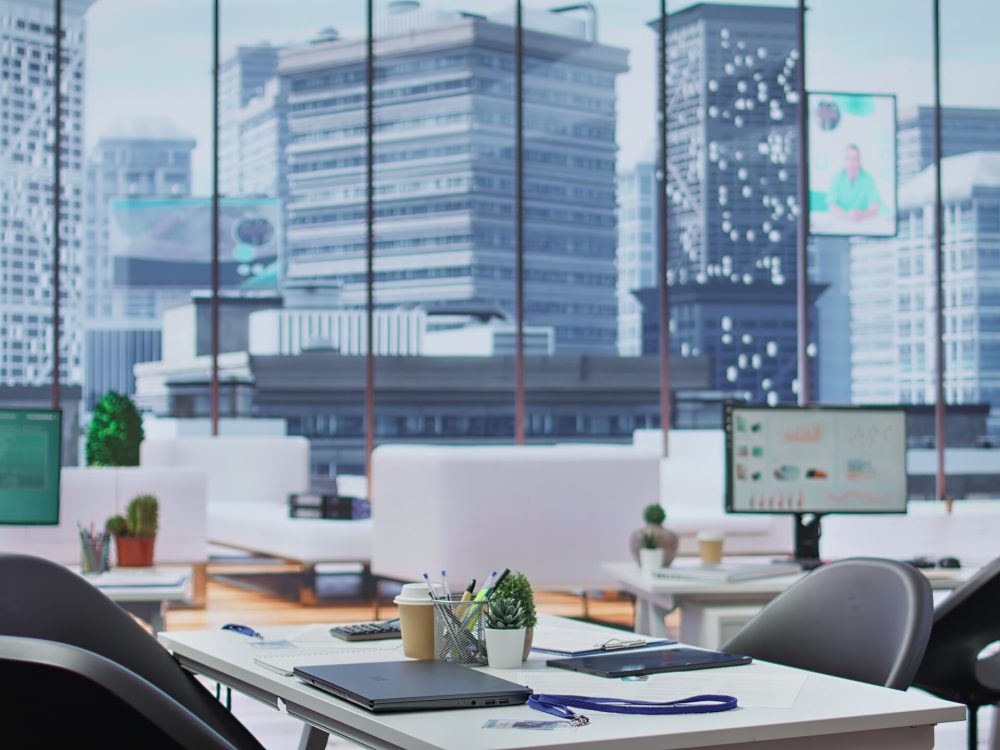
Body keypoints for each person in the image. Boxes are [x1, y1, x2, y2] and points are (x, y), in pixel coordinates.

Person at [826, 144, 882, 222]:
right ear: (844, 160)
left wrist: (863, 214)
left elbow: (875, 205)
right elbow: (831, 206)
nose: (851, 162)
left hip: (864, 223)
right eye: (848, 158)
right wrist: (847, 215)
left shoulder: (867, 177)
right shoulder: (837, 178)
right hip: (841, 222)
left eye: (855, 158)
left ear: (859, 161)